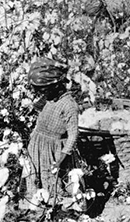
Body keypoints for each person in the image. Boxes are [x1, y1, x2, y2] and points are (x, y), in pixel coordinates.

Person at [23, 58, 80, 210]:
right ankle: (36, 201)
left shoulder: (69, 105)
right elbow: (39, 111)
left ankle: (55, 206)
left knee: (51, 177)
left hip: (53, 150)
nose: (38, 93)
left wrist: (62, 156)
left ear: (55, 86)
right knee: (34, 172)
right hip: (37, 144)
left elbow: (73, 134)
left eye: (41, 89)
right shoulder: (48, 98)